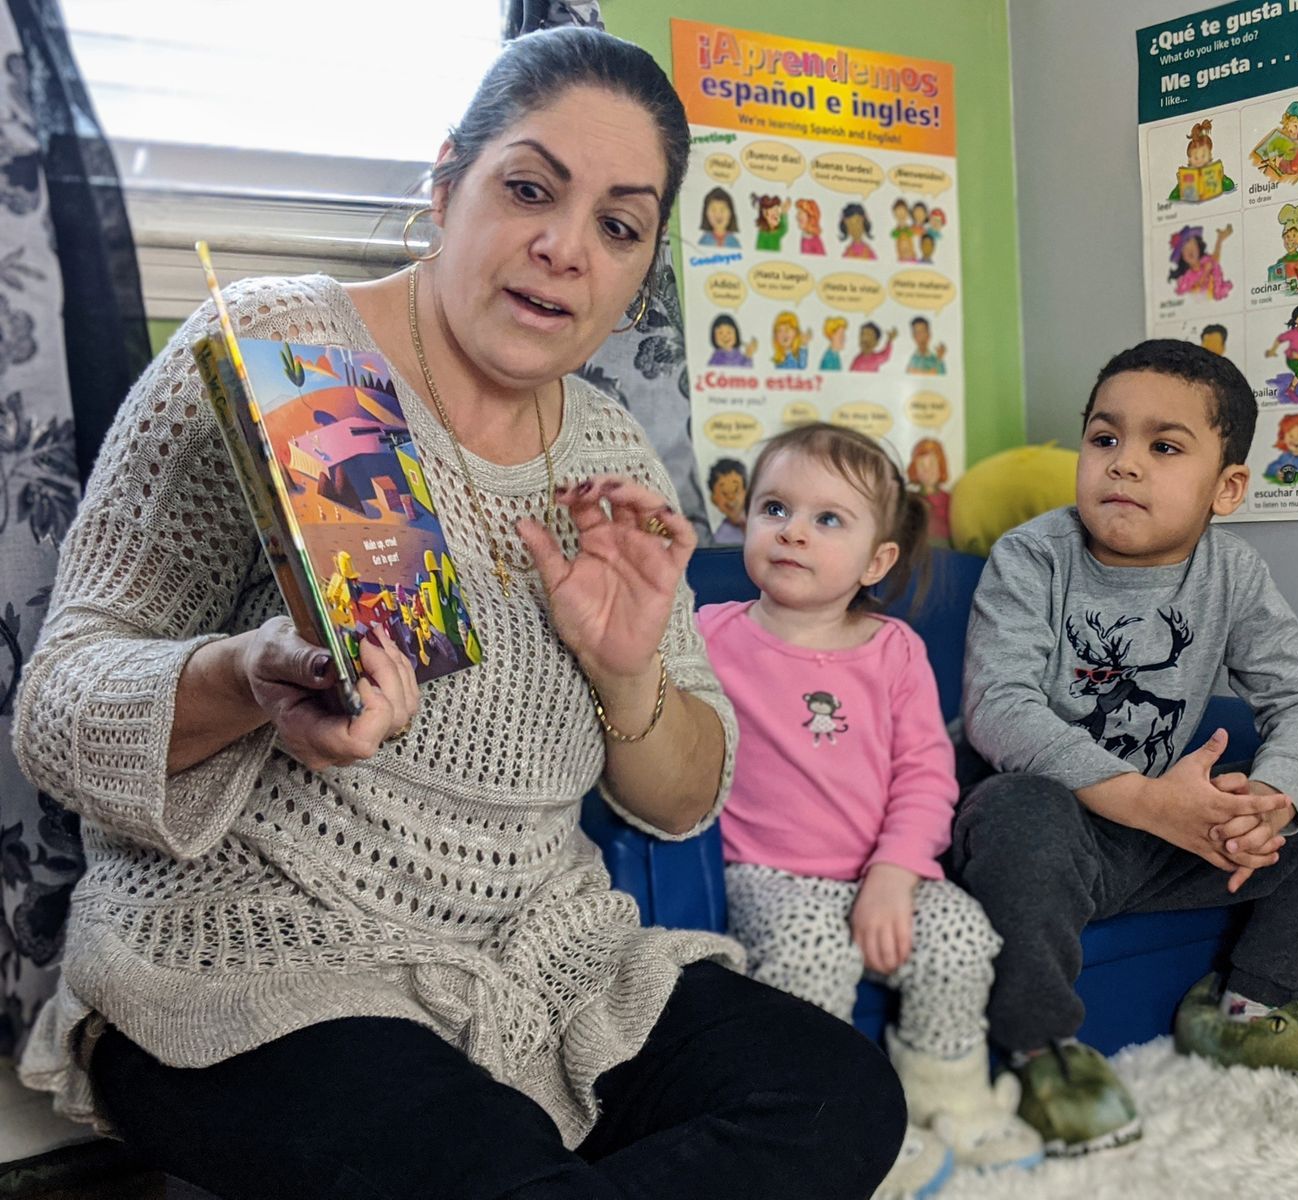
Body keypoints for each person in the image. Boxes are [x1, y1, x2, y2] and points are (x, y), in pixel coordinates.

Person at [11, 27, 903, 1200]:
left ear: (641, 270)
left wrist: (628, 668)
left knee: (840, 1093)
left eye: (619, 226)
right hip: (248, 955)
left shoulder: (607, 446)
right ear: (445, 185)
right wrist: (250, 677)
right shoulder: (273, 351)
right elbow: (57, 707)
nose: (563, 248)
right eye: (529, 188)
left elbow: (684, 801)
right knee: (490, 1170)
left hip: (543, 962)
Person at [949, 340, 1298, 1157]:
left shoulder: (1235, 575)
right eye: (1103, 438)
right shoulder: (1031, 556)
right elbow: (997, 707)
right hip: (1056, 840)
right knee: (1017, 809)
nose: (1123, 465)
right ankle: (1043, 1054)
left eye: (1163, 447)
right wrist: (1148, 800)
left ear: (1227, 487)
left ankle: (1249, 1010)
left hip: (1162, 843)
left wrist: (1276, 802)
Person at [700, 423, 1042, 1199]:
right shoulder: (707, 636)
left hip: (888, 870)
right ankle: (825, 1127)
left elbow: (926, 777)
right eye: (774, 507)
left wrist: (895, 872)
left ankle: (944, 1096)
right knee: (811, 956)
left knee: (962, 938)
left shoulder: (893, 652)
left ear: (877, 560)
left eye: (828, 520)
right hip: (767, 874)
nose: (792, 530)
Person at [708, 456, 750, 544]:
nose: (731, 497)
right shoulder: (720, 539)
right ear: (713, 499)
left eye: (735, 490)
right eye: (724, 493)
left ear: (747, 492)